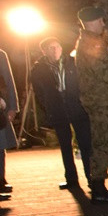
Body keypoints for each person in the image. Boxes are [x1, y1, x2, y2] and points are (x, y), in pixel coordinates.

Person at [74, 6, 108, 203]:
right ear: (90, 22)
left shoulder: (87, 42)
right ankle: (99, 189)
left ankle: (97, 186)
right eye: (100, 20)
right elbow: (103, 72)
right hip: (100, 101)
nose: (103, 23)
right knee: (104, 144)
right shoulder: (91, 43)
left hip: (98, 99)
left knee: (102, 143)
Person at [30, 37, 93, 191]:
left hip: (77, 108)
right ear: (44, 51)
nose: (55, 50)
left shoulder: (73, 62)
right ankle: (71, 179)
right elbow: (39, 92)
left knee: (85, 144)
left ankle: (92, 178)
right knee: (65, 146)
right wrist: (49, 106)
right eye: (51, 48)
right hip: (58, 110)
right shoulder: (39, 69)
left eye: (57, 46)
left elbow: (85, 82)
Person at [0, 48, 17, 201]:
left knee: (0, 146)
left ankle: (0, 180)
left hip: (1, 108)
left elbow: (8, 80)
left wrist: (13, 106)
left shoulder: (1, 54)